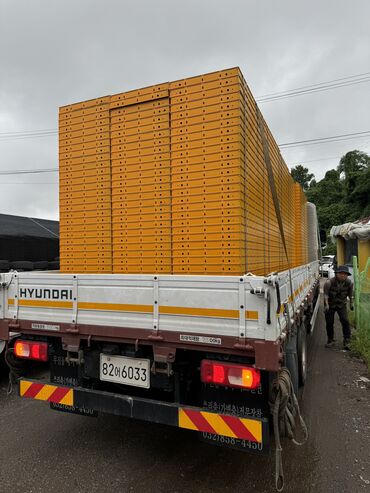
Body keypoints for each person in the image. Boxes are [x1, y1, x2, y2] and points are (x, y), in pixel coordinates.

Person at [323, 265, 354, 350]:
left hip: (341, 304)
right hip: (330, 304)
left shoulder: (349, 283)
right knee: (329, 322)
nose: (343, 275)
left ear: (347, 275)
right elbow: (325, 295)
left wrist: (351, 304)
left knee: (345, 320)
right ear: (336, 274)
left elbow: (350, 295)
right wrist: (326, 305)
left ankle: (347, 340)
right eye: (341, 273)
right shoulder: (328, 283)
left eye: (345, 274)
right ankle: (330, 340)